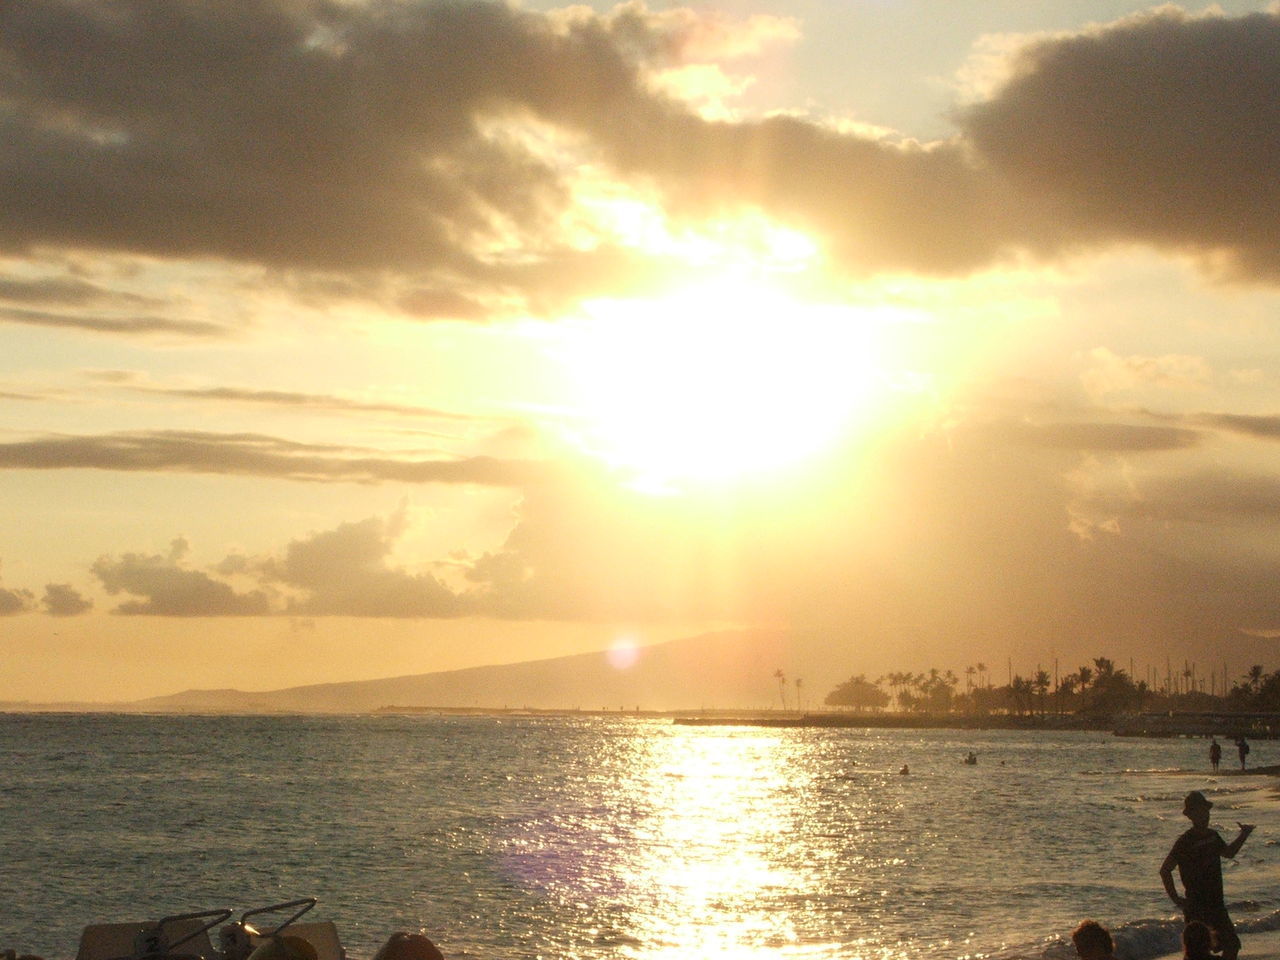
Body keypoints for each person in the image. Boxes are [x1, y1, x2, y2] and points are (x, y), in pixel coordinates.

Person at [1159, 790, 1255, 960]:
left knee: (1232, 945)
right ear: (1191, 815)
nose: (1205, 815)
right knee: (1196, 952)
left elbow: (1228, 853)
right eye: (1200, 811)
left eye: (1206, 810)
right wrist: (1176, 899)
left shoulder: (1213, 836)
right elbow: (1165, 870)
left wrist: (1244, 834)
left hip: (1216, 903)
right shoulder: (1185, 841)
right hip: (1196, 905)